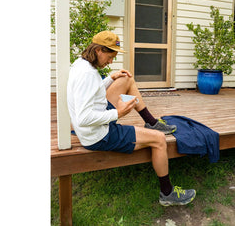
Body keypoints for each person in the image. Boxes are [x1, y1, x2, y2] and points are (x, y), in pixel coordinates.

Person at [67, 30, 196, 206]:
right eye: (110, 56)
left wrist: (111, 78)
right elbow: (84, 118)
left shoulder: (81, 64)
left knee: (126, 80)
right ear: (98, 50)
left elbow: (93, 91)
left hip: (94, 122)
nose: (111, 61)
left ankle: (151, 122)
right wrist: (118, 113)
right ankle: (167, 193)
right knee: (159, 140)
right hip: (99, 135)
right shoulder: (87, 75)